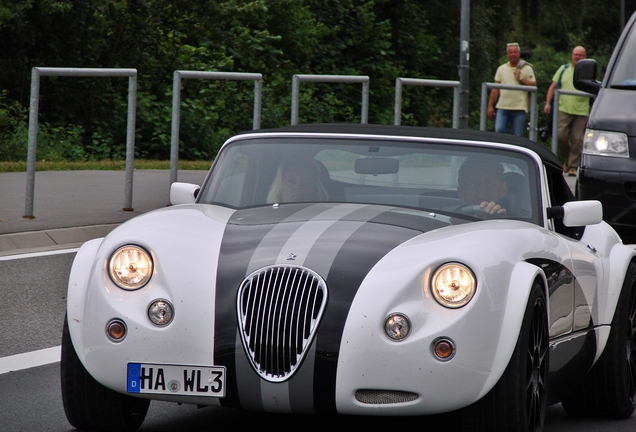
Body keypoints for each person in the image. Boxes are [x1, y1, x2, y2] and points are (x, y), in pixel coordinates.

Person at [543, 46, 589, 177]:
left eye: (580, 55)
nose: (577, 57)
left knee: (577, 139)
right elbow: (552, 87)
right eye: (576, 55)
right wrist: (547, 103)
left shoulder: (588, 72)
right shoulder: (564, 69)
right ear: (572, 55)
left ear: (585, 57)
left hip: (581, 110)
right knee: (560, 136)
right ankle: (568, 160)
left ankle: (573, 166)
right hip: (564, 108)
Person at [487, 42, 537, 137]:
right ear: (507, 55)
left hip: (519, 107)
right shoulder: (501, 69)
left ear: (519, 53)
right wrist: (490, 105)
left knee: (517, 135)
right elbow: (495, 88)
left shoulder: (527, 68)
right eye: (511, 52)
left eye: (515, 52)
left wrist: (521, 80)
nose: (513, 54)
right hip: (503, 106)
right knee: (499, 130)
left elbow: (533, 85)